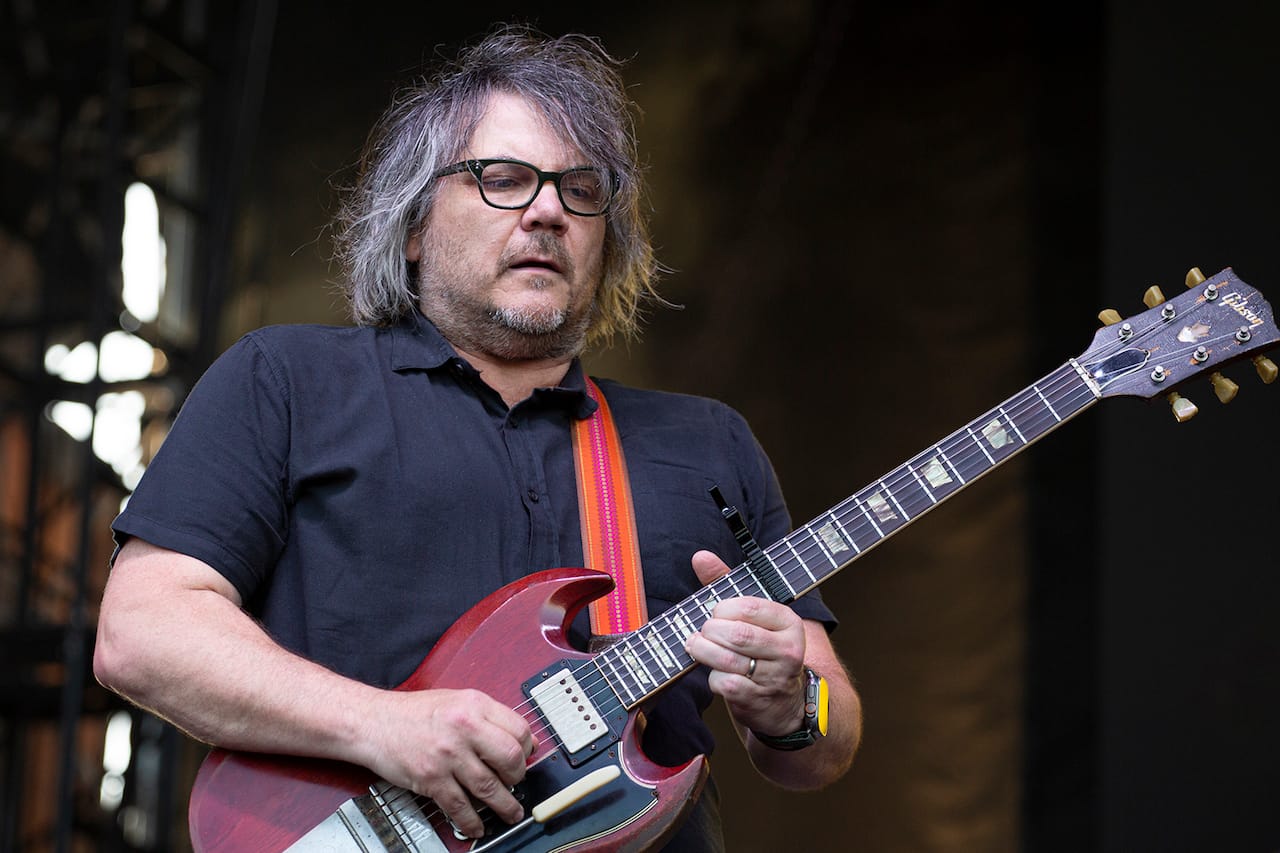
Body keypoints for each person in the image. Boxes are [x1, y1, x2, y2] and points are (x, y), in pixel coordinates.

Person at [93, 25, 861, 851]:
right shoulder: (287, 379)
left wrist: (795, 704)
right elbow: (142, 632)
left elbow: (823, 747)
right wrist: (380, 724)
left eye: (581, 189)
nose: (548, 211)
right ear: (415, 224)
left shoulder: (708, 442)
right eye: (503, 179)